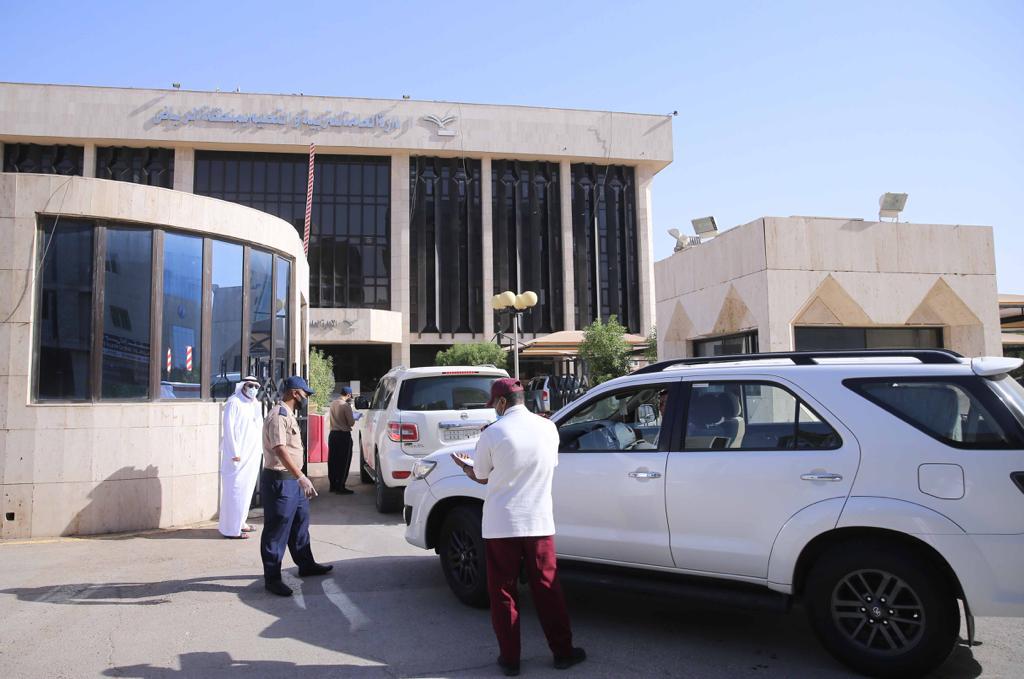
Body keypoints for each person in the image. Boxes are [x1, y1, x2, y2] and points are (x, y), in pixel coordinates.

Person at [452, 378, 586, 677]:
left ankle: (510, 659)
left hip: (502, 524)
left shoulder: (493, 432)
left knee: (503, 592)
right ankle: (563, 652)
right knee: (548, 589)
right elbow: (547, 466)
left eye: (494, 404)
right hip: (538, 521)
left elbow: (481, 476)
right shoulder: (548, 428)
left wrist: (465, 466)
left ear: (501, 402)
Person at [260, 376, 333, 597]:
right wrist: (301, 476)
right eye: (305, 394)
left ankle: (306, 564)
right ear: (295, 393)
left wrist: (299, 478)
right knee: (277, 529)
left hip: (294, 480)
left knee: (300, 522)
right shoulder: (278, 416)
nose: (306, 398)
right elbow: (280, 449)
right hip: (281, 480)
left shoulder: (289, 414)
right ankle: (272, 578)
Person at [218, 376, 263, 539]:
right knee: (235, 491)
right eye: (250, 385)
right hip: (237, 457)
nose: (253, 389)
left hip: (252, 454)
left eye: (256, 386)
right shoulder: (234, 402)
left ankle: (241, 523)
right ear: (243, 386)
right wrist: (234, 453)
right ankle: (231, 529)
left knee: (246, 490)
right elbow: (228, 428)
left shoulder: (255, 404)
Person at [328, 386, 359, 494]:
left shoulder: (333, 403)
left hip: (333, 434)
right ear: (349, 395)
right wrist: (354, 417)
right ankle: (341, 486)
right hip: (343, 435)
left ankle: (333, 485)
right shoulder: (346, 406)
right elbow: (351, 422)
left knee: (333, 461)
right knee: (343, 462)